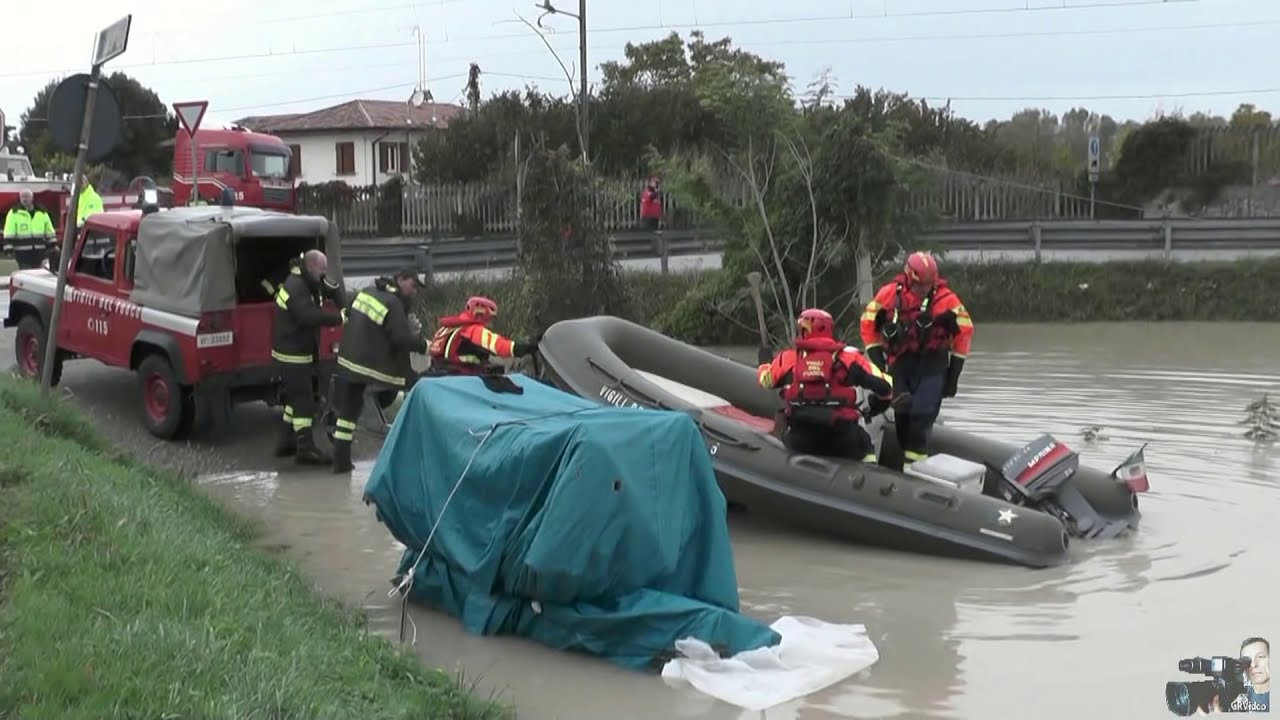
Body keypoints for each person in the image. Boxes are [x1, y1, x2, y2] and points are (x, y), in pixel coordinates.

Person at [861, 251, 973, 469]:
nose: (925, 290)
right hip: (900, 363)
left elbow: (965, 333)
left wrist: (954, 376)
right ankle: (907, 462)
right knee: (903, 415)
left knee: (921, 417)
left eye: (928, 284)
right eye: (921, 285)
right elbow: (867, 324)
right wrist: (879, 365)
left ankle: (914, 472)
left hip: (933, 364)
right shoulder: (889, 294)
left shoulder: (946, 300)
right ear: (909, 278)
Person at [757, 308, 895, 463]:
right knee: (865, 446)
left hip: (801, 438)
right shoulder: (850, 358)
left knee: (783, 441)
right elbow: (887, 386)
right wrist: (875, 406)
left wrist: (764, 362)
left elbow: (765, 380)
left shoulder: (789, 359)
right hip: (843, 439)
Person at [330, 270, 428, 473]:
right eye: (413, 285)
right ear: (400, 280)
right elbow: (400, 339)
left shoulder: (367, 291)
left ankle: (340, 462)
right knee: (413, 387)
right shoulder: (392, 303)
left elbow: (353, 318)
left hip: (348, 360)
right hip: (368, 364)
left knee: (349, 413)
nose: (415, 292)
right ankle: (410, 451)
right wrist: (424, 345)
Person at [272, 249, 345, 464]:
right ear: (311, 266)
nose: (323, 274)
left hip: (297, 352)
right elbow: (307, 316)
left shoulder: (306, 280)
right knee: (303, 402)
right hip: (292, 354)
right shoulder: (296, 286)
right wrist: (338, 319)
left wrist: (337, 292)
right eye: (322, 270)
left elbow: (329, 289)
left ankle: (286, 442)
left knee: (294, 400)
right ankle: (305, 449)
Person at [426, 296, 537, 375]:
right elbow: (500, 346)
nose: (490, 324)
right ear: (482, 315)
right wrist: (526, 347)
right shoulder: (474, 330)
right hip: (462, 377)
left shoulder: (447, 328)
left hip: (439, 372)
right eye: (490, 319)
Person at [2, 190, 56, 269]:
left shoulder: (42, 213)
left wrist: (53, 245)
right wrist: (8, 249)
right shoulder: (14, 213)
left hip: (40, 253)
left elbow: (49, 231)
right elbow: (8, 232)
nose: (24, 199)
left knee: (40, 276)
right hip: (22, 254)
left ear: (32, 198)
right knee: (26, 276)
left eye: (26, 197)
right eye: (22, 197)